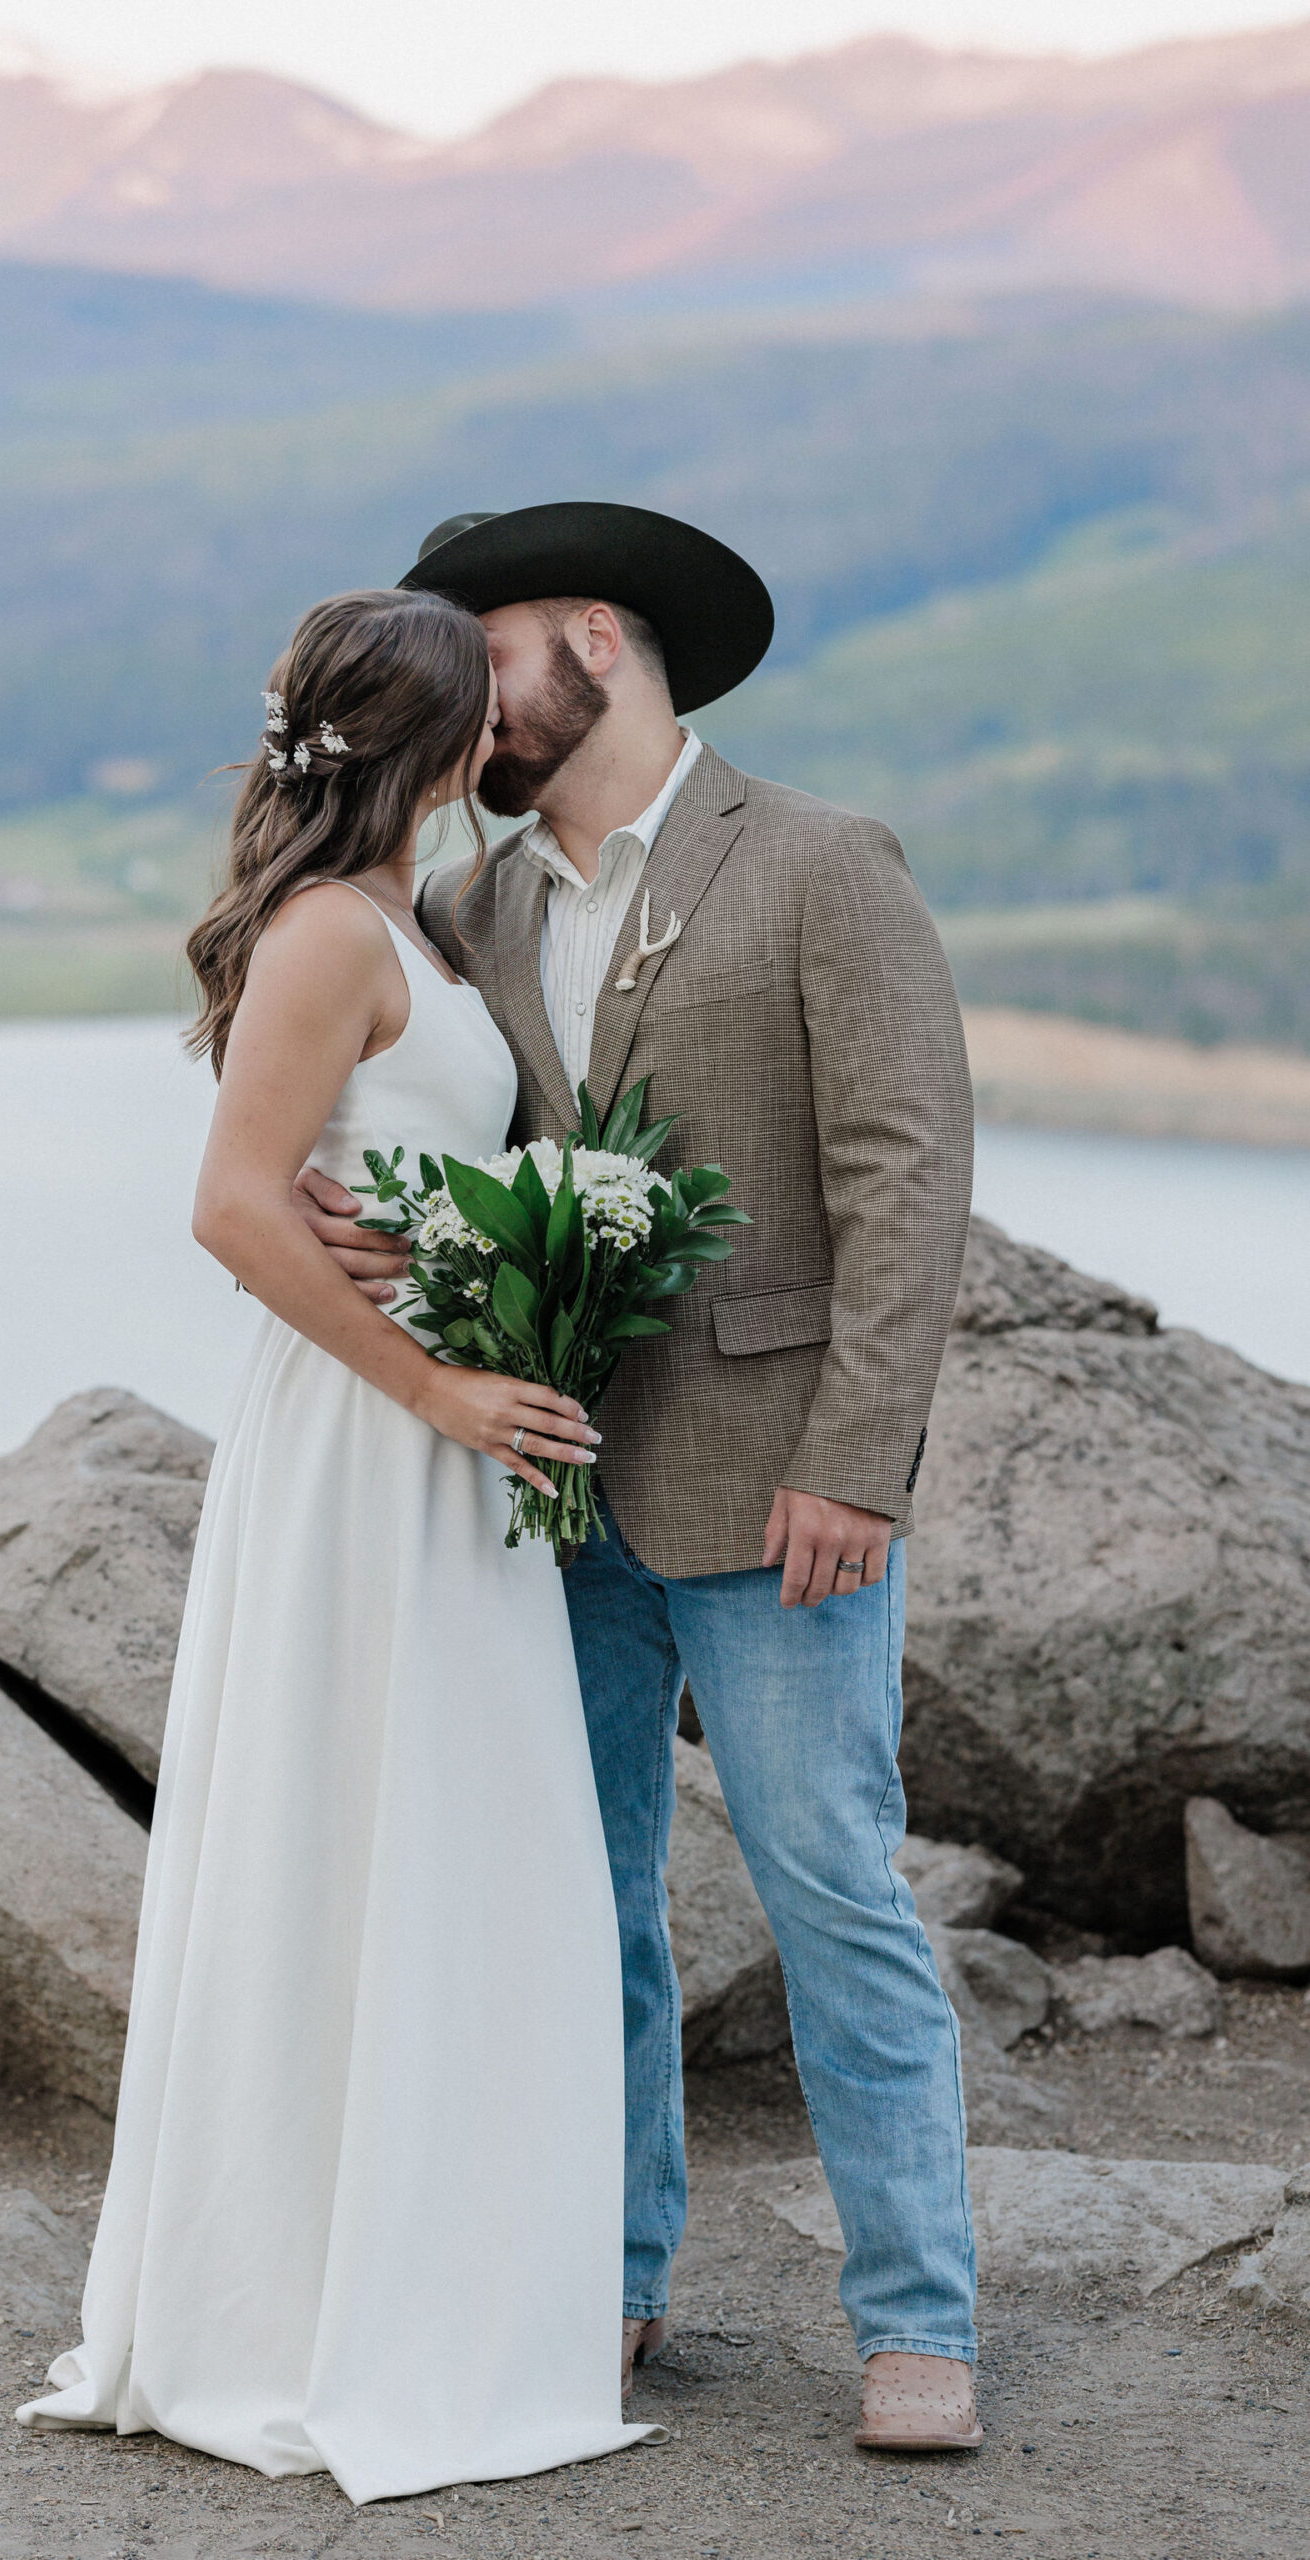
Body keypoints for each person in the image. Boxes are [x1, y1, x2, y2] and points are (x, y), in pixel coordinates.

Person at [295, 503, 983, 2455]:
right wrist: (381, 1235)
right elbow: (435, 1138)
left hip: (782, 1499)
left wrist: (857, 1460)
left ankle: (914, 2316)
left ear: (593, 636)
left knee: (829, 1883)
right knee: (576, 1897)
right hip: (546, 1488)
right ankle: (606, 2278)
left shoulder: (819, 861)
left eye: (486, 647)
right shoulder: (474, 910)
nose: (462, 693)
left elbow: (904, 1170)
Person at [17, 586, 657, 2502]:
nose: (511, 741)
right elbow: (230, 1205)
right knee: (354, 1841)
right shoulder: (323, 934)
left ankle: (442, 2288)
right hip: (377, 1450)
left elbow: (372, 1169)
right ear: (445, 744)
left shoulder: (409, 923)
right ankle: (309, 2321)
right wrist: (439, 1386)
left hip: (444, 1448)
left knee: (457, 1854)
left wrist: (507, 1231)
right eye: (491, 716)